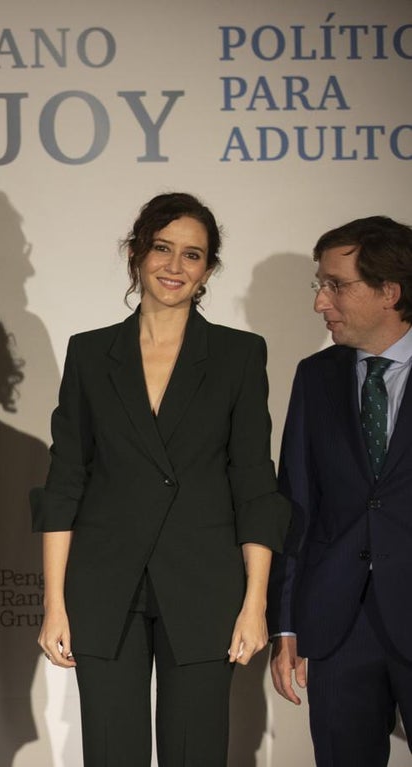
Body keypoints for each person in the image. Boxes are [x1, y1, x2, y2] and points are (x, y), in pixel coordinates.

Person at [33, 192, 290, 766]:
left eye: (193, 255)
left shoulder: (239, 355)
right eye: (162, 249)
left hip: (204, 585)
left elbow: (254, 482)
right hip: (103, 587)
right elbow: (64, 482)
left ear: (209, 270)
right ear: (136, 254)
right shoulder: (90, 353)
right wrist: (55, 603)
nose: (175, 267)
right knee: (110, 754)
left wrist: (255, 602)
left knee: (196, 755)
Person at [268, 216, 412, 766]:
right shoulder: (315, 376)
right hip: (336, 624)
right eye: (319, 285)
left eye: (335, 285)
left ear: (388, 292)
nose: (320, 302)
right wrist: (286, 623)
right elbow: (296, 504)